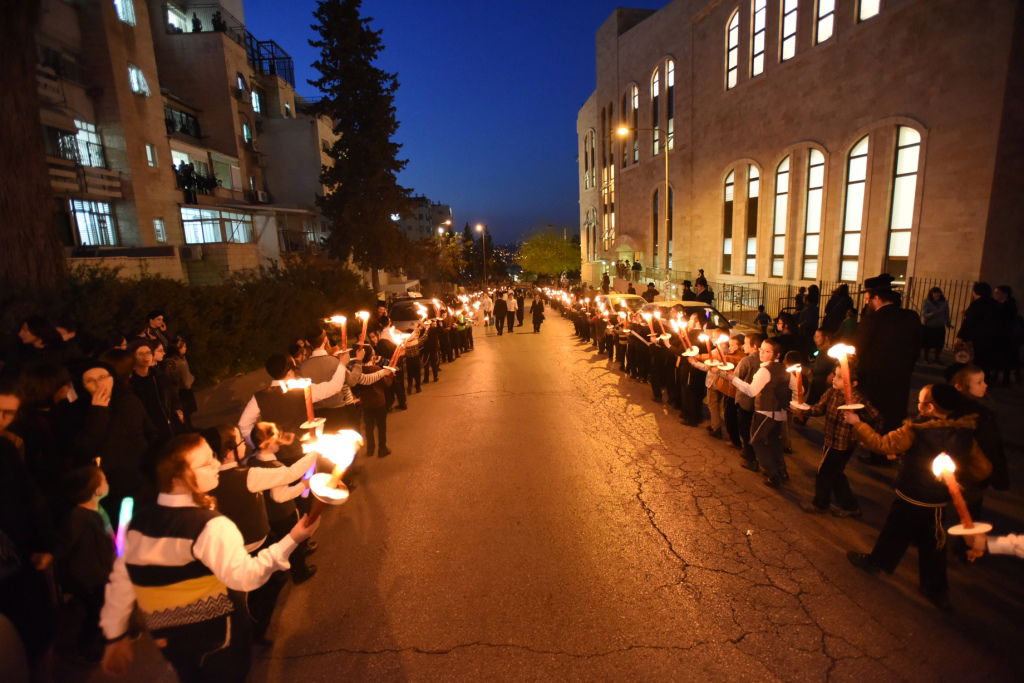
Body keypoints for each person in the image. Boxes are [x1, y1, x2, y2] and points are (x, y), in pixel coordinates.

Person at [99, 433, 321, 680]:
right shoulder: (209, 526)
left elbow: (121, 579)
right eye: (206, 463)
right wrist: (293, 538)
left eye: (213, 457)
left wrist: (115, 635)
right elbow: (247, 577)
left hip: (170, 639)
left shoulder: (137, 523)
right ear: (179, 478)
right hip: (219, 640)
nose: (217, 465)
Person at [844, 384, 989, 612]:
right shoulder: (964, 433)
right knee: (934, 545)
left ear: (929, 407)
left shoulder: (917, 429)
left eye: (920, 401)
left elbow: (881, 444)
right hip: (938, 502)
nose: (918, 406)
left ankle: (877, 563)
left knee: (895, 532)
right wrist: (958, 477)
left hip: (911, 495)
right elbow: (982, 469)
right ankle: (936, 590)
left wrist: (856, 423)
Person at [795, 365, 880, 517]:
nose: (834, 378)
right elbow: (819, 409)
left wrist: (866, 434)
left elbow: (875, 418)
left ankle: (821, 504)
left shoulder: (859, 400)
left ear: (853, 384)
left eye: (840, 377)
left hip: (844, 444)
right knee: (836, 474)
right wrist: (803, 409)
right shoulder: (831, 393)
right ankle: (851, 506)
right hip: (830, 439)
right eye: (835, 374)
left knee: (824, 473)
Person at [56, 464, 115, 662]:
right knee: (95, 611)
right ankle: (86, 647)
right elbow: (65, 545)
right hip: (90, 577)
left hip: (102, 571)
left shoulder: (98, 508)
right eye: (104, 479)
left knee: (102, 606)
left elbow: (108, 536)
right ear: (97, 490)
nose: (108, 482)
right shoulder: (78, 517)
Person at [716, 337, 791, 487]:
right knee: (774, 442)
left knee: (757, 441)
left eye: (767, 351)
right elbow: (798, 389)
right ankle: (782, 471)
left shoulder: (765, 371)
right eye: (762, 349)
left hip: (765, 413)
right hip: (780, 413)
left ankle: (773, 473)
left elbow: (751, 391)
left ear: (777, 354)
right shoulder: (784, 368)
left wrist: (733, 379)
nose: (762, 353)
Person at [855, 274, 923, 434]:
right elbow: (917, 347)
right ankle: (892, 448)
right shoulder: (911, 317)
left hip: (874, 380)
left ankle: (877, 452)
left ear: (876, 298)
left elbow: (860, 349)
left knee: (876, 417)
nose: (866, 302)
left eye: (867, 298)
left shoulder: (871, 321)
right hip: (901, 379)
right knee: (895, 415)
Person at [956, 281, 1000, 381]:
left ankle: (974, 380)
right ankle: (985, 379)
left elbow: (969, 322)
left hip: (976, 338)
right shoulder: (994, 304)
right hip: (991, 338)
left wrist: (961, 336)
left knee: (974, 360)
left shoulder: (977, 304)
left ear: (977, 292)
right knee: (985, 361)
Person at [921, 287, 951, 363]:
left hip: (940, 326)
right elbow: (924, 314)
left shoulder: (944, 302)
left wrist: (948, 323)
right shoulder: (927, 302)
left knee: (939, 344)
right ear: (931, 294)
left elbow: (946, 314)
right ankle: (926, 358)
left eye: (938, 292)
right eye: (934, 293)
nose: (936, 294)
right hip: (929, 326)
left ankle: (937, 358)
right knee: (927, 343)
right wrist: (934, 313)